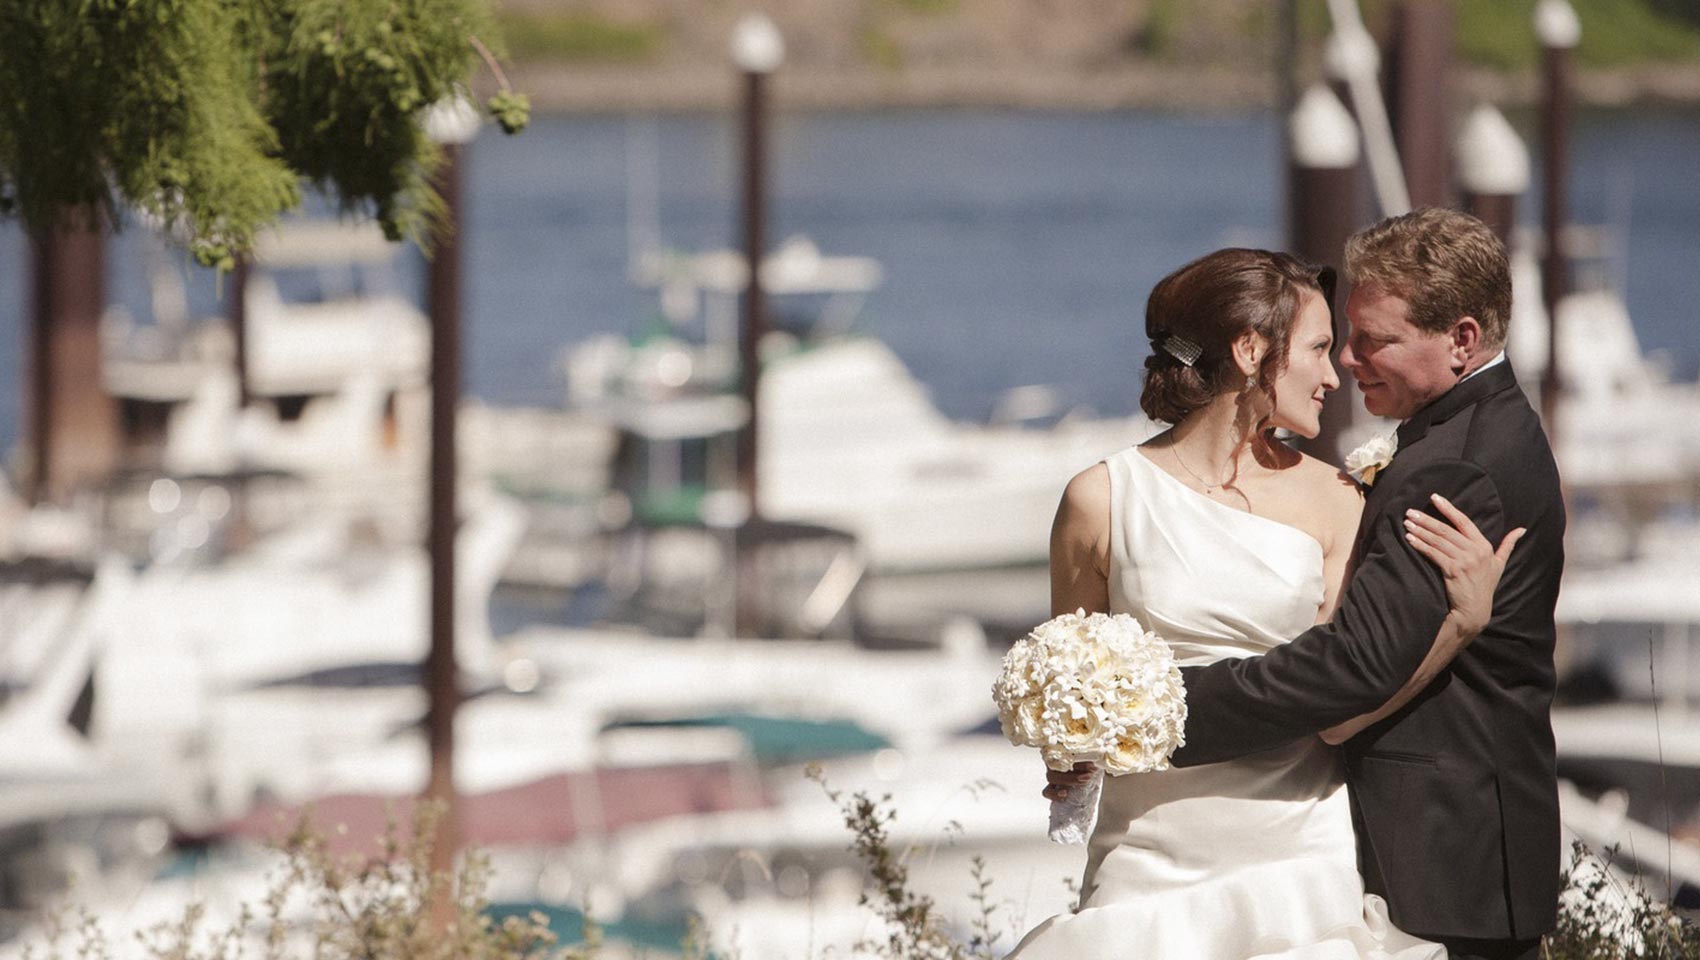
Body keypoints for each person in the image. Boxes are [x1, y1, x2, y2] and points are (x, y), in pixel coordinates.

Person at [1009, 240, 1526, 959]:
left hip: (1296, 861)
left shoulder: (1339, 499)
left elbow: (1343, 710)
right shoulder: (1100, 499)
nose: (1334, 375)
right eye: (1318, 349)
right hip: (1146, 859)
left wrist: (1461, 626)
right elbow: (1070, 687)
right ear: (1252, 351)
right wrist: (1067, 751)